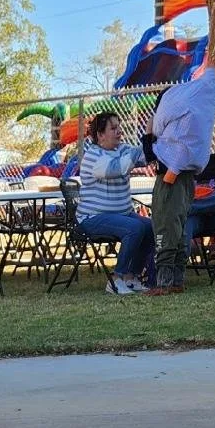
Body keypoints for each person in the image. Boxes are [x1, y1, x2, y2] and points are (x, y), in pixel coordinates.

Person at [146, 58, 215, 294]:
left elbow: (153, 143)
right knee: (177, 227)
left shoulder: (173, 139)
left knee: (164, 226)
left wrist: (148, 135)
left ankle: (164, 282)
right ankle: (176, 279)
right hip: (185, 179)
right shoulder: (194, 125)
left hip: (170, 178)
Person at [76, 110, 155, 293]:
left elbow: (146, 156)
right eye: (113, 128)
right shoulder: (92, 156)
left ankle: (131, 277)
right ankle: (116, 279)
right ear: (100, 135)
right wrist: (142, 146)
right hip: (93, 218)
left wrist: (150, 142)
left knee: (150, 227)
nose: (119, 131)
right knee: (134, 228)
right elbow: (116, 168)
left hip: (122, 213)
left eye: (119, 127)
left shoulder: (123, 149)